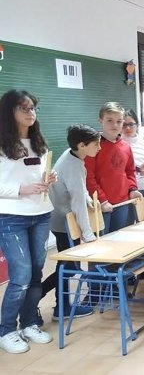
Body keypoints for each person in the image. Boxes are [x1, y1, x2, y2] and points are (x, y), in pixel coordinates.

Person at [0, 89, 57, 354]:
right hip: (12, 216)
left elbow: (37, 176)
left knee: (35, 272)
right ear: (10, 111)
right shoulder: (2, 144)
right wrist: (21, 190)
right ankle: (7, 329)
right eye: (24, 108)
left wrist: (48, 179)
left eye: (33, 107)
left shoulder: (39, 143)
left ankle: (29, 322)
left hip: (41, 213)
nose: (30, 112)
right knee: (20, 275)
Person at [42, 124, 101, 321]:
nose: (99, 148)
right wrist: (87, 233)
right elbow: (77, 204)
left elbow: (78, 190)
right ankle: (53, 304)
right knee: (69, 267)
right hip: (65, 223)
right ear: (82, 145)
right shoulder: (73, 165)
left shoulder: (72, 155)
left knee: (67, 265)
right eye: (96, 144)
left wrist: (88, 198)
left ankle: (58, 305)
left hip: (63, 219)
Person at [85, 102, 142, 233]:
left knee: (119, 239)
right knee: (103, 244)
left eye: (119, 121)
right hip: (101, 204)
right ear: (100, 120)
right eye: (109, 120)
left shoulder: (126, 147)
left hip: (122, 203)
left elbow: (130, 172)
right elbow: (89, 176)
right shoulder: (93, 146)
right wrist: (102, 199)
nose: (115, 125)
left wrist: (132, 189)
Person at [122, 110, 144, 197]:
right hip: (129, 189)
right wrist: (139, 168)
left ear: (137, 125)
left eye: (131, 124)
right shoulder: (119, 143)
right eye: (124, 125)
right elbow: (119, 169)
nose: (128, 128)